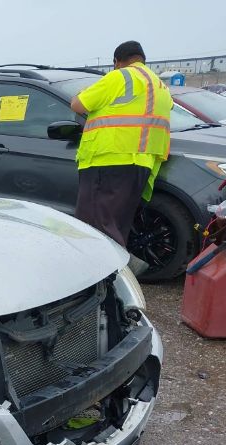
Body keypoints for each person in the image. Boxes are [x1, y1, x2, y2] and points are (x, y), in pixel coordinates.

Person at [70, 41, 173, 274]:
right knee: (116, 223)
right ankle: (117, 270)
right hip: (141, 162)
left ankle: (108, 276)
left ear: (117, 61)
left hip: (108, 159)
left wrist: (82, 92)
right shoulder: (160, 86)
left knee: (95, 226)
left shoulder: (120, 77)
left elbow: (78, 104)